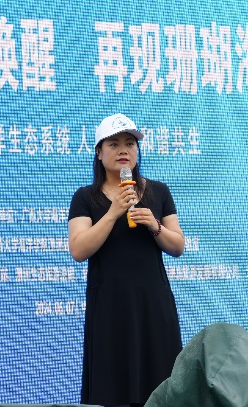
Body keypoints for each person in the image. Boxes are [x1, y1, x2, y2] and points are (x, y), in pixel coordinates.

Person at [68, 113, 185, 407]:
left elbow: (178, 246)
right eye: (114, 144)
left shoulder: (158, 191)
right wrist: (113, 213)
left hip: (153, 302)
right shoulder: (85, 197)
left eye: (130, 143)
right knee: (113, 389)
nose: (124, 150)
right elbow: (78, 250)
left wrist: (155, 226)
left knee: (161, 387)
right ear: (99, 152)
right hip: (110, 306)